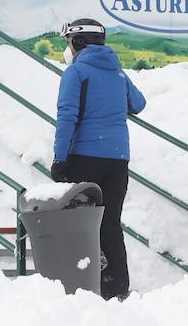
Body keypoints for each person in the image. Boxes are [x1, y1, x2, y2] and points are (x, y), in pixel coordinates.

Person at [51, 18, 146, 301]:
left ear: (78, 42)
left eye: (68, 41)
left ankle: (82, 283)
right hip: (117, 160)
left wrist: (60, 159)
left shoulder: (76, 72)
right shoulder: (118, 74)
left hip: (84, 157)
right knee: (110, 223)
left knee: (79, 222)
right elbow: (138, 104)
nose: (67, 47)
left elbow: (67, 116)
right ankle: (117, 287)